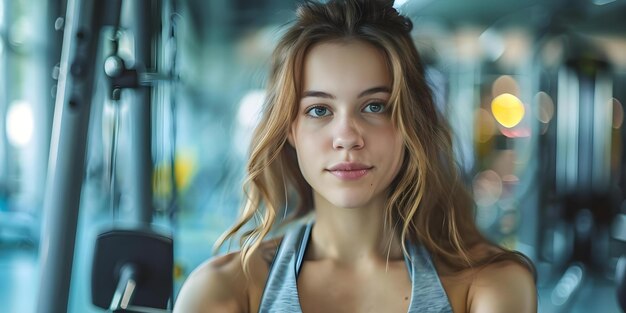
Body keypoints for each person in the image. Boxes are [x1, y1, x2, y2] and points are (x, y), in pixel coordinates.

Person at [174, 0, 537, 312]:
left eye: (375, 106)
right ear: (289, 128)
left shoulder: (487, 286)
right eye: (319, 110)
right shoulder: (224, 291)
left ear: (410, 122)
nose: (347, 137)